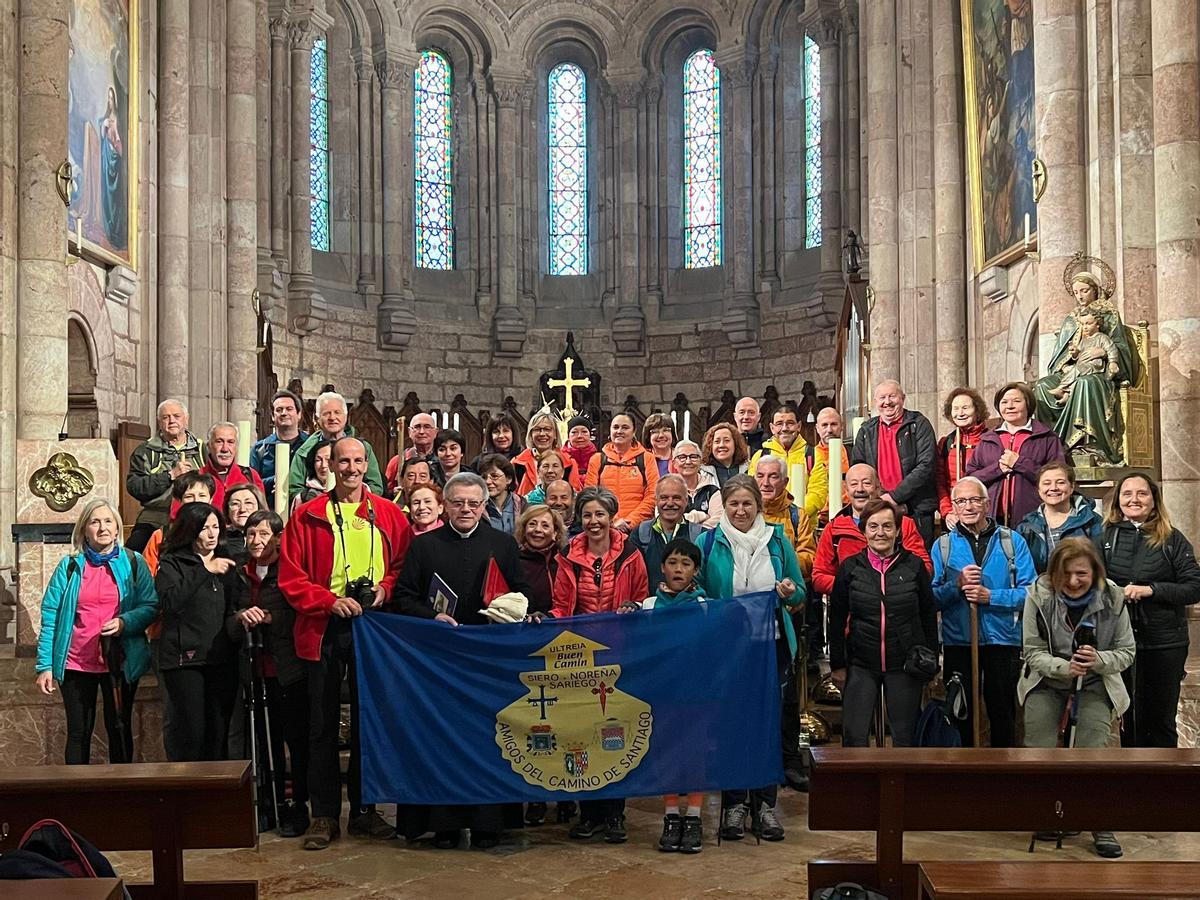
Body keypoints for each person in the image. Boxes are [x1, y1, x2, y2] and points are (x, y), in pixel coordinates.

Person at [278, 437, 413, 850]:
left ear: (367, 465)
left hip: (374, 629)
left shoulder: (390, 515)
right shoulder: (307, 516)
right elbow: (291, 576)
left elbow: (402, 567)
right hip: (324, 626)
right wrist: (328, 601)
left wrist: (385, 592)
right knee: (320, 724)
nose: (352, 468)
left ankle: (364, 811)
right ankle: (323, 815)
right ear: (330, 466)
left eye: (358, 460)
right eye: (344, 461)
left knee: (367, 723)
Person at [390, 472, 532, 849]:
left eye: (473, 503)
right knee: (440, 740)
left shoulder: (502, 544)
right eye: (458, 503)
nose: (466, 509)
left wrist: (508, 609)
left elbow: (522, 593)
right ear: (445, 506)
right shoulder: (424, 547)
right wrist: (431, 617)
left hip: (489, 661)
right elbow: (403, 596)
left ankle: (490, 824)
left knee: (491, 739)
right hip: (439, 661)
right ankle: (444, 824)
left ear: (484, 505)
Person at [698, 475, 804, 843]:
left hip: (769, 644)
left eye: (747, 504)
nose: (740, 511)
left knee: (767, 725)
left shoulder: (777, 539)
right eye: (734, 504)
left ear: (758, 505)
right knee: (732, 725)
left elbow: (798, 588)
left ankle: (765, 804)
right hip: (728, 648)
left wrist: (789, 592)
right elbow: (698, 589)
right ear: (723, 507)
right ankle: (734, 804)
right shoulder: (709, 540)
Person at [1019, 538, 1134, 858]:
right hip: (1047, 680)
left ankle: (1100, 823)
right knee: (1039, 746)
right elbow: (1032, 651)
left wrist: (1097, 660)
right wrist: (1063, 667)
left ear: (1094, 571)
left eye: (1081, 574)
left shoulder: (1113, 597)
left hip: (1097, 681)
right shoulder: (1037, 595)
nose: (1072, 581)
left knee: (1093, 751)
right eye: (1065, 574)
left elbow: (1126, 652)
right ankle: (1048, 815)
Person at [550, 486, 649, 844]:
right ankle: (587, 812)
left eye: (600, 515)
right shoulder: (567, 555)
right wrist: (549, 619)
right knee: (579, 734)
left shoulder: (631, 553)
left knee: (614, 734)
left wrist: (634, 609)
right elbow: (562, 605)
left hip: (619, 654)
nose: (594, 522)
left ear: (611, 517)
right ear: (580, 518)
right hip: (579, 656)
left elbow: (641, 597)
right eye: (588, 515)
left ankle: (614, 814)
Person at [35, 498, 157, 764]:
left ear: (117, 529)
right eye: (94, 521)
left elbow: (150, 605)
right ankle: (77, 799)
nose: (102, 527)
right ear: (84, 530)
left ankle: (120, 797)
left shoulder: (134, 562)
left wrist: (125, 622)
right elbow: (50, 616)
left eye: (108, 521)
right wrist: (45, 666)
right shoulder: (69, 567)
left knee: (119, 727)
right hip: (76, 662)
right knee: (79, 732)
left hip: (120, 659)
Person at [931, 476, 1037, 747]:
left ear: (987, 504)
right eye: (961, 501)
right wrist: (956, 586)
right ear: (953, 507)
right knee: (960, 711)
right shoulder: (943, 546)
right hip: (959, 642)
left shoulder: (1012, 542)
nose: (968, 506)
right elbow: (932, 598)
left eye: (975, 499)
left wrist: (991, 596)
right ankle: (964, 772)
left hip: (1002, 640)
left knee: (1002, 711)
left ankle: (1002, 775)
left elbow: (1032, 593)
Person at [1096, 473, 1200, 748]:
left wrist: (1151, 590)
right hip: (1120, 641)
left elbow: (1194, 587)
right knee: (1129, 718)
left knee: (1161, 719)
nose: (1134, 499)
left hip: (1164, 643)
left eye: (1141, 493)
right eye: (1127, 493)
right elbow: (1090, 583)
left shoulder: (1172, 539)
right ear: (1118, 501)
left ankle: (1165, 786)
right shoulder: (1105, 537)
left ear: (1153, 500)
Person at [829, 499, 938, 748]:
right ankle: (860, 787)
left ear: (898, 530)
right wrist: (838, 664)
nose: (881, 533)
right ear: (864, 530)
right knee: (855, 736)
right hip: (861, 663)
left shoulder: (914, 566)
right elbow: (836, 618)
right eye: (874, 526)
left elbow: (927, 613)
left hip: (904, 663)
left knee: (905, 736)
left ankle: (902, 786)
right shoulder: (850, 568)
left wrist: (931, 660)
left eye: (888, 526)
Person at [628, 538, 708, 854]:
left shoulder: (705, 607)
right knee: (668, 752)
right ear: (662, 567)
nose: (678, 569)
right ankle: (672, 815)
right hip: (663, 693)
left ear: (696, 571)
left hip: (697, 693)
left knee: (696, 753)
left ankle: (695, 817)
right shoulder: (649, 606)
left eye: (686, 564)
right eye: (673, 562)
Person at [237, 510, 311, 837]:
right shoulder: (239, 574)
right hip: (254, 669)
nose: (256, 541)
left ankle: (298, 807)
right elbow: (227, 615)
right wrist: (241, 616)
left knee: (295, 739)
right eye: (251, 534)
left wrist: (269, 617)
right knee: (264, 746)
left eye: (263, 534)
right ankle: (270, 804)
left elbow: (299, 613)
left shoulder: (289, 571)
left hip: (287, 667)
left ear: (279, 538)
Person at [155, 502, 240, 762]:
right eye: (205, 528)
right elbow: (169, 603)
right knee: (192, 732)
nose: (213, 534)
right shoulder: (172, 563)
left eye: (216, 527)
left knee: (219, 731)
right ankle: (192, 795)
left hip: (221, 658)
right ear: (191, 530)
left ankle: (218, 795)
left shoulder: (227, 562)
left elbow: (233, 606)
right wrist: (204, 571)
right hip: (184, 661)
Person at [813, 464, 932, 597]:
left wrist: (892, 584)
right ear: (846, 490)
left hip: (897, 607)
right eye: (854, 484)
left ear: (878, 488)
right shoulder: (834, 529)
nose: (860, 489)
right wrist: (854, 587)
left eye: (867, 483)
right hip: (852, 610)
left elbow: (924, 568)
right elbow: (819, 577)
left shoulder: (903, 525)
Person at [851, 380, 938, 545]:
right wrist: (880, 499)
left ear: (903, 398)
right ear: (875, 402)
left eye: (892, 396)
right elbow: (858, 467)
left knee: (919, 562)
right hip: (878, 509)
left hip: (916, 510)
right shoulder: (866, 430)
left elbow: (926, 465)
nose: (887, 402)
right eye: (882, 398)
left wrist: (894, 497)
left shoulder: (918, 424)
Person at [967, 382, 1065, 528]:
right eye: (1004, 402)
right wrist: (998, 469)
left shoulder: (1046, 437)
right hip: (992, 518)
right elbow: (971, 478)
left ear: (1028, 405)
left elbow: (1058, 477)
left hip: (1032, 518)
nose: (1010, 406)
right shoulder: (988, 438)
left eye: (1017, 401)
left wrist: (1019, 463)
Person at [125, 399, 205, 551]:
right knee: (131, 556)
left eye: (176, 416)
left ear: (186, 419)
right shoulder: (145, 451)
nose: (172, 421)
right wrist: (169, 476)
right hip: (155, 518)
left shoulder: (202, 450)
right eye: (166, 417)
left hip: (198, 516)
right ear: (159, 422)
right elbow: (134, 487)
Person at [287, 391, 384, 499]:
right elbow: (294, 489)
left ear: (346, 416)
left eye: (337, 412)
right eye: (326, 413)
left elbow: (376, 486)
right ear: (317, 418)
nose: (332, 417)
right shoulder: (304, 452)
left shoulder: (362, 447)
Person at [1016, 462, 1103, 573]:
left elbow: (1100, 564)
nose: (1053, 488)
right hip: (1040, 588)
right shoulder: (1026, 527)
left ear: (1071, 487)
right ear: (1038, 489)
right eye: (1047, 483)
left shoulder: (1092, 521)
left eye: (1060, 483)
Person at [748, 404, 829, 520]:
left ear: (799, 426)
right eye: (779, 424)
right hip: (767, 524)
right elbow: (753, 490)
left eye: (790, 423)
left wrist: (795, 515)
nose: (785, 428)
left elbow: (818, 493)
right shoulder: (760, 456)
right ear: (772, 428)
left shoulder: (813, 455)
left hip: (803, 526)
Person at [584, 413, 660, 532]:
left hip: (638, 529)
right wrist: (612, 522)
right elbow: (589, 496)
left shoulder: (647, 458)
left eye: (625, 427)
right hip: (604, 528)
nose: (619, 431)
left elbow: (653, 495)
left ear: (634, 431)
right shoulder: (597, 459)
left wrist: (630, 522)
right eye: (615, 427)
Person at [629, 475, 703, 583]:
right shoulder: (640, 533)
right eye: (664, 498)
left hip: (689, 599)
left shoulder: (700, 535)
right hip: (650, 599)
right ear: (656, 501)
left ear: (686, 501)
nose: (670, 503)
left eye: (676, 498)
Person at [753, 455, 817, 580]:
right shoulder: (744, 513)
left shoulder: (798, 515)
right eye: (760, 476)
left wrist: (777, 561)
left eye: (773, 476)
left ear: (785, 482)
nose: (765, 483)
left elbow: (809, 559)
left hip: (789, 590)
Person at [142, 471, 217, 574]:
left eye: (202, 495)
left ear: (211, 500)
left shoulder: (219, 534)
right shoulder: (161, 536)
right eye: (189, 496)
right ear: (179, 500)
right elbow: (147, 577)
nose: (196, 501)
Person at [936, 387, 990, 530]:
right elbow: (940, 482)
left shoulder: (991, 440)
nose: (960, 413)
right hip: (953, 516)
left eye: (965, 408)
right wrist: (947, 512)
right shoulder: (946, 443)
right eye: (956, 408)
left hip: (984, 515)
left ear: (977, 410)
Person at [250, 389, 309, 497]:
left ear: (299, 414)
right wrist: (275, 481)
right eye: (279, 410)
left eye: (289, 409)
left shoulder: (310, 445)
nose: (284, 413)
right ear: (273, 416)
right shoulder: (260, 449)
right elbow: (251, 484)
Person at [200, 422, 267, 513]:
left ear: (236, 446)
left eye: (231, 442)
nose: (225, 449)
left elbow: (263, 514)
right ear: (209, 446)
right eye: (219, 442)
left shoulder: (250, 475)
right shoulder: (196, 478)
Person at [516, 504, 567, 618]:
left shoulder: (565, 561)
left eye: (545, 526)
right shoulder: (513, 560)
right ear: (524, 530)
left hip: (560, 627)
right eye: (532, 524)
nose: (538, 530)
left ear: (555, 533)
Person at [514, 412, 583, 495]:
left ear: (555, 435)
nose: (542, 434)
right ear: (530, 434)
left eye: (547, 429)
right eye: (537, 429)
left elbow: (574, 496)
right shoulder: (517, 463)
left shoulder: (569, 463)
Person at [672, 439, 723, 528]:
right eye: (682, 457)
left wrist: (688, 528)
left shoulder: (712, 491)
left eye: (693, 457)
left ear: (700, 462)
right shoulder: (667, 490)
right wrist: (700, 516)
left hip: (706, 541)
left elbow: (719, 520)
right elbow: (666, 521)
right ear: (674, 463)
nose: (688, 461)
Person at [384, 412, 438, 495]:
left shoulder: (442, 460)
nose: (422, 431)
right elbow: (385, 491)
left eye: (427, 427)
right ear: (409, 432)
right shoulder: (397, 461)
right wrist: (393, 493)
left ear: (435, 432)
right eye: (417, 427)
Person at [813, 407, 850, 517]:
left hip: (847, 512)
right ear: (817, 428)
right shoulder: (809, 456)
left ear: (842, 426)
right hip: (819, 514)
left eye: (834, 424)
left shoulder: (852, 453)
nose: (829, 430)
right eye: (824, 425)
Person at [479, 453, 526, 534]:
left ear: (508, 479)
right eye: (484, 477)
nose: (487, 482)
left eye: (494, 476)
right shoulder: (477, 507)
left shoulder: (523, 506)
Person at [223, 482, 268, 565]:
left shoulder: (271, 538)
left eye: (248, 503)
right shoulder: (218, 539)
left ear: (259, 506)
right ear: (227, 510)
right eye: (235, 504)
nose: (242, 509)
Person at [700, 421, 750, 487]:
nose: (721, 445)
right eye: (717, 441)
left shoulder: (749, 469)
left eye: (726, 440)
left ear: (735, 444)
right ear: (710, 446)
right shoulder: (702, 473)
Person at [292, 439, 334, 512]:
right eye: (318, 460)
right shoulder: (303, 497)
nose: (323, 465)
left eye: (328, 460)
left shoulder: (352, 490)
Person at [642, 412, 678, 477]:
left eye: (666, 430)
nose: (661, 435)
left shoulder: (681, 457)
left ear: (672, 434)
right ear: (648, 436)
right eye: (655, 431)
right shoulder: (641, 458)